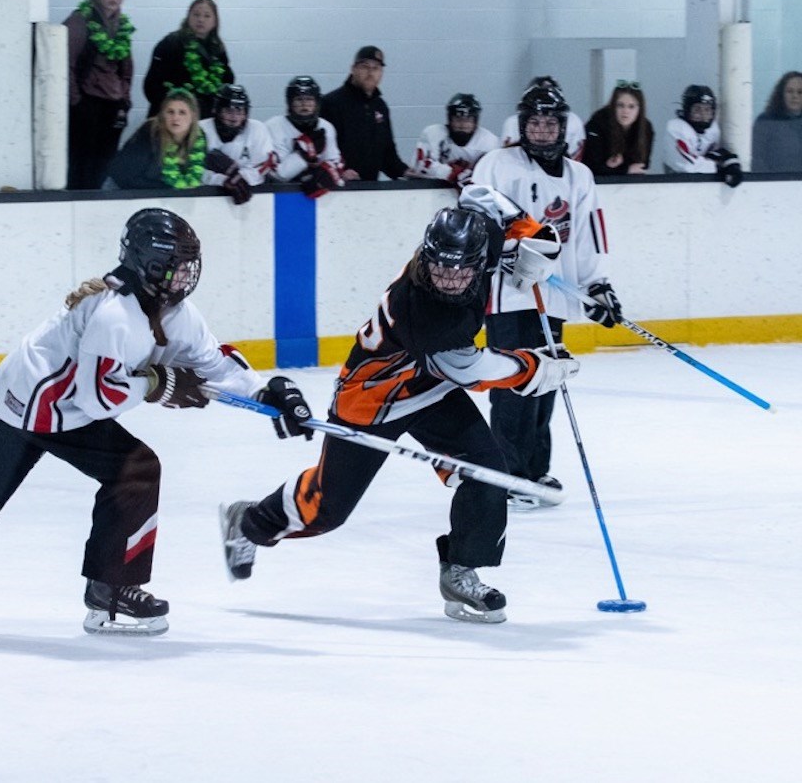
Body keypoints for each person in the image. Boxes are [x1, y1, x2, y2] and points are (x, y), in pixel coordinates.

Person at [0, 208, 314, 637]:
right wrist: (158, 384)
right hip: (25, 404)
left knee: (136, 470)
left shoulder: (176, 313)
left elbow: (213, 364)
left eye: (189, 268)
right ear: (149, 264)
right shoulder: (114, 317)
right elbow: (98, 398)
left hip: (69, 409)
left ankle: (112, 591)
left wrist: (269, 392)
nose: (185, 278)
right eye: (176, 267)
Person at [219, 195, 577, 624]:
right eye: (440, 266)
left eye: (459, 268)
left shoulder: (479, 239)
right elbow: (471, 370)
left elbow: (482, 196)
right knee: (327, 510)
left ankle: (460, 570)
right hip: (373, 398)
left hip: (431, 387)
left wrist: (534, 241)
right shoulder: (424, 311)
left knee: (486, 469)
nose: (447, 277)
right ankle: (249, 522)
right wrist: (534, 368)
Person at [471, 85, 620, 509]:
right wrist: (507, 253)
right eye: (533, 123)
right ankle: (507, 476)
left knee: (546, 382)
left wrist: (597, 286)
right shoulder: (496, 165)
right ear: (522, 126)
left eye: (549, 123)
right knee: (513, 385)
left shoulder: (580, 176)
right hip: (506, 295)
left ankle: (535, 471)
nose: (540, 131)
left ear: (562, 127)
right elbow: (478, 218)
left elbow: (591, 236)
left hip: (552, 299)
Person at [64, 0, 135, 189]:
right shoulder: (80, 21)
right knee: (80, 166)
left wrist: (124, 99)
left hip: (112, 105)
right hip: (86, 103)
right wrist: (76, 101)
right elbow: (65, 64)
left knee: (104, 165)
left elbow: (127, 69)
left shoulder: (122, 25)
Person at [319, 45, 410, 181]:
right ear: (353, 69)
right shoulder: (330, 103)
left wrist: (405, 171)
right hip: (336, 189)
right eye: (365, 66)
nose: (370, 72)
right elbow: (319, 150)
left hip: (369, 191)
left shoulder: (380, 107)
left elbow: (387, 153)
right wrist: (338, 171)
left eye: (376, 68)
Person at [143, 0, 233, 120]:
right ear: (188, 17)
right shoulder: (171, 43)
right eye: (196, 14)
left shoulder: (218, 49)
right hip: (171, 117)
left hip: (204, 119)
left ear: (215, 21)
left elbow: (227, 83)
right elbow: (152, 85)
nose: (201, 19)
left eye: (207, 16)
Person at [103, 88, 207, 190]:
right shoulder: (149, 133)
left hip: (163, 195)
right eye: (170, 112)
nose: (175, 118)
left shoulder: (199, 138)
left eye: (182, 112)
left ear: (193, 116)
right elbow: (125, 177)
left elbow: (193, 178)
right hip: (120, 190)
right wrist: (170, 188)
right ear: (163, 114)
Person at [265, 76, 346, 199]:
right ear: (290, 103)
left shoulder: (326, 127)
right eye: (299, 99)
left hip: (318, 199)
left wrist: (327, 174)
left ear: (317, 103)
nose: (304, 104)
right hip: (279, 197)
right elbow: (278, 175)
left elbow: (334, 162)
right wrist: (305, 152)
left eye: (309, 99)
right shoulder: (273, 126)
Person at [200, 84, 276, 205]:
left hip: (252, 199)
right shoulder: (201, 130)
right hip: (205, 199)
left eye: (239, 111)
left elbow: (267, 163)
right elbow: (192, 170)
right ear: (218, 110)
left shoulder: (257, 129)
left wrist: (239, 178)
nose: (234, 117)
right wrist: (221, 180)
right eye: (228, 111)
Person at [410, 93, 499, 187]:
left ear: (475, 121)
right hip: (433, 190)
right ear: (449, 119)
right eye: (457, 119)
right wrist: (452, 174)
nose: (462, 124)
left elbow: (491, 175)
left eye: (468, 119)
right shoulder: (433, 134)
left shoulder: (489, 142)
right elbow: (419, 167)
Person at [662, 84, 742, 187]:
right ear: (687, 110)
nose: (703, 115)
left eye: (707, 110)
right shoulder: (676, 129)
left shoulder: (713, 130)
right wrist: (719, 167)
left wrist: (729, 162)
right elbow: (688, 166)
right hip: (676, 185)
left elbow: (711, 155)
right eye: (697, 109)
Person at [501, 76, 586, 160]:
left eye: (550, 124)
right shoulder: (499, 161)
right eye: (535, 123)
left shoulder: (577, 171)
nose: (542, 132)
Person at [582, 81, 654, 175]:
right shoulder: (597, 123)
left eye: (631, 107)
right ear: (613, 106)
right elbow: (589, 166)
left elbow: (642, 165)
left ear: (640, 109)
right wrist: (623, 169)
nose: (625, 111)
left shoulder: (645, 128)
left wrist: (621, 168)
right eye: (620, 105)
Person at [752, 71, 802, 173]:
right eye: (790, 91)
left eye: (800, 92)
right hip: (774, 185)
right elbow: (757, 159)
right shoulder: (766, 122)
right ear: (781, 94)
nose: (795, 96)